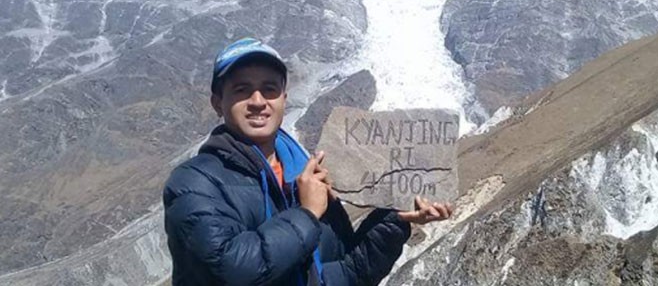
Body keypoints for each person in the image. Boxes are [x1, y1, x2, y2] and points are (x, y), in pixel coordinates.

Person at [163, 37, 454, 285]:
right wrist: (307, 213)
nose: (257, 101)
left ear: (283, 99)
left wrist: (396, 220)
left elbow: (346, 273)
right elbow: (235, 269)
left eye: (269, 89)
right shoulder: (194, 182)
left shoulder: (303, 172)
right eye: (241, 90)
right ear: (218, 102)